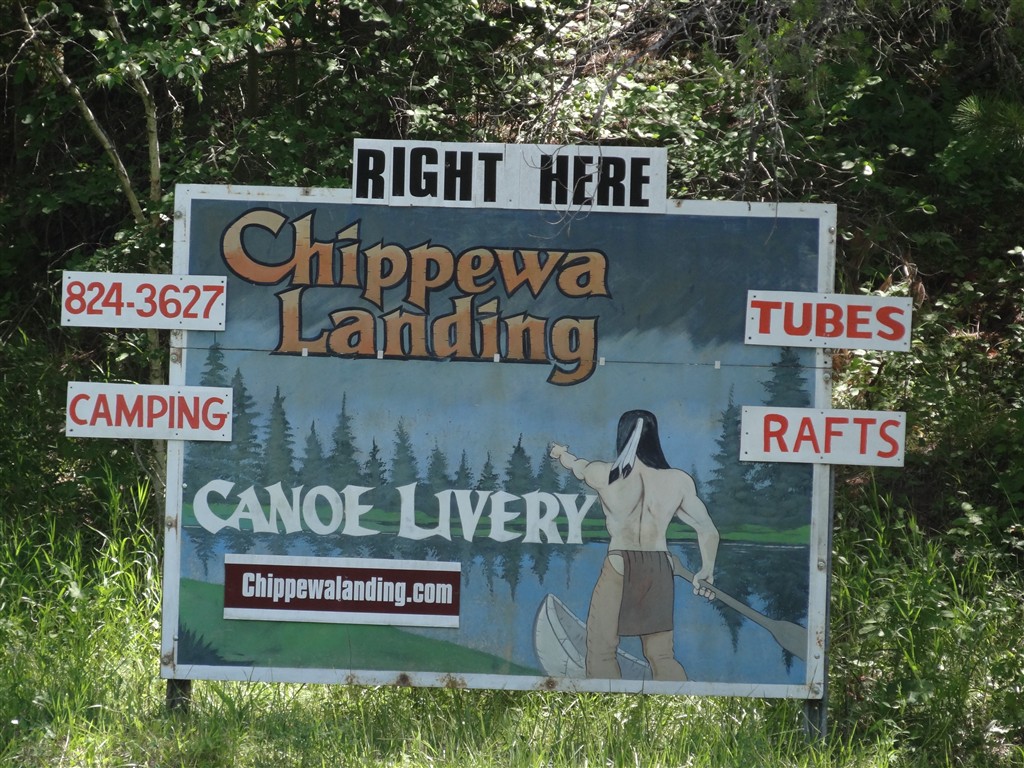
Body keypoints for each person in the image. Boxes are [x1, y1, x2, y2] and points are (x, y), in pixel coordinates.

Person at [550, 409, 719, 681]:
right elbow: (708, 530)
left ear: (622, 435)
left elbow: (577, 466)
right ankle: (678, 702)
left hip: (620, 563)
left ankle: (605, 703)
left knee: (601, 649)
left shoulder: (604, 474)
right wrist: (706, 569)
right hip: (659, 566)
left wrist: (561, 454)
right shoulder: (678, 481)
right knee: (661, 655)